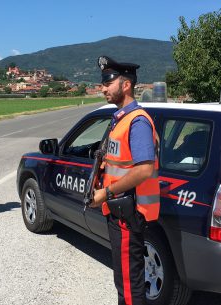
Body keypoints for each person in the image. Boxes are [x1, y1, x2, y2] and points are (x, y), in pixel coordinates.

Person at [89, 56, 160, 305]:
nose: (103, 87)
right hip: (119, 211)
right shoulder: (120, 118)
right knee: (124, 281)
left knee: (130, 287)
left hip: (128, 214)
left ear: (126, 85)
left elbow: (143, 170)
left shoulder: (137, 121)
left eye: (108, 81)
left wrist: (105, 193)